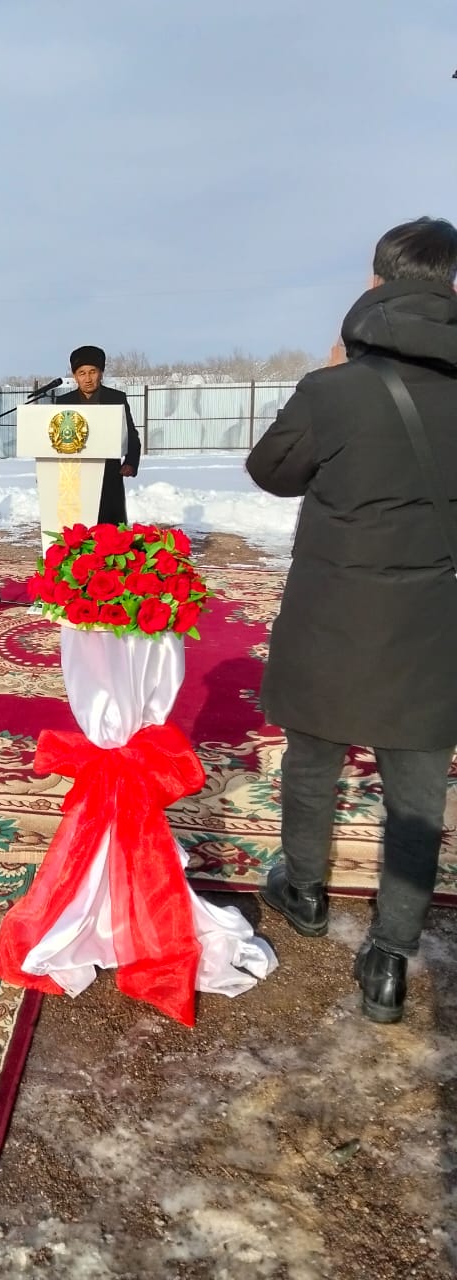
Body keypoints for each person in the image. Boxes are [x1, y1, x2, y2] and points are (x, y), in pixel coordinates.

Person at [246, 216, 457, 1025]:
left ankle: (303, 891)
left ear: (375, 283)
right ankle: (390, 959)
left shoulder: (333, 390)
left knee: (312, 761)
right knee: (417, 797)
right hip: (431, 620)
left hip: (332, 613)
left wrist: (328, 379)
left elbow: (272, 470)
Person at [55, 345, 142, 524]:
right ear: (74, 376)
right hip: (74, 476)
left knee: (110, 530)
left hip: (109, 475)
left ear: (101, 373)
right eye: (82, 373)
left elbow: (131, 435)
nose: (87, 379)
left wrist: (130, 463)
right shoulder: (64, 402)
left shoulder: (116, 399)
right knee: (78, 528)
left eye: (92, 372)